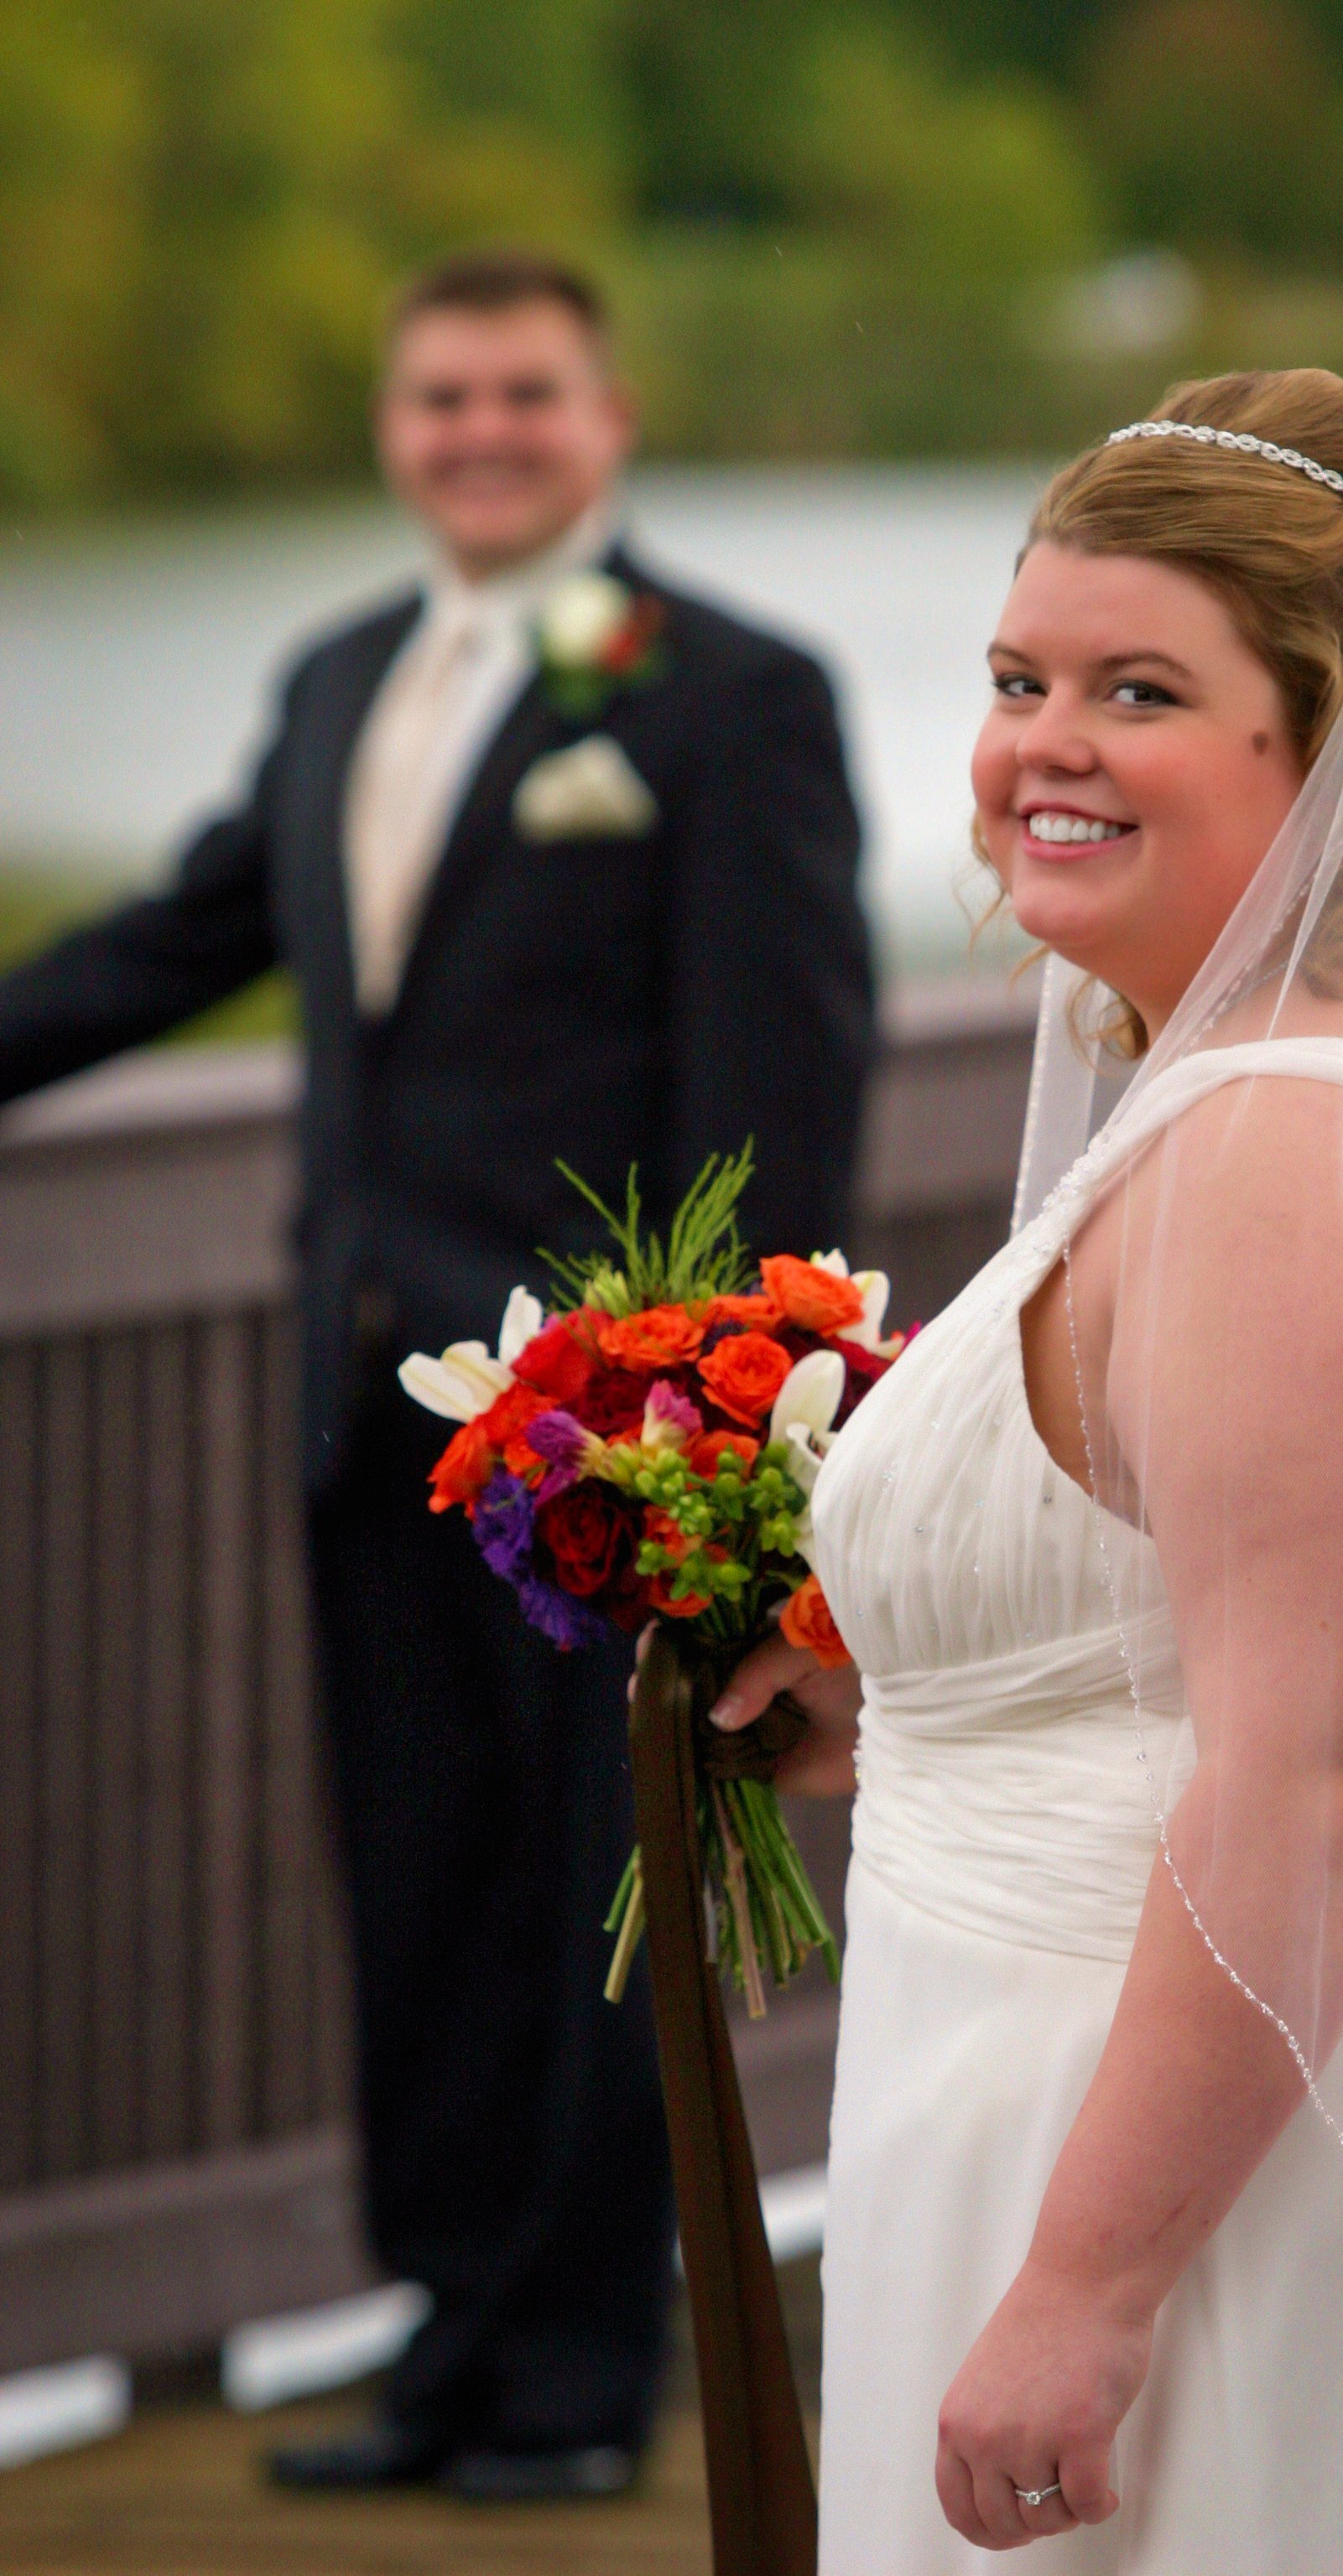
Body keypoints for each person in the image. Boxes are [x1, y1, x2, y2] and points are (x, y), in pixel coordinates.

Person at [715, 369, 1343, 2569]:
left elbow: (1331, 1773)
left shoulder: (1313, 1146)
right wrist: (908, 1715)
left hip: (1261, 2185)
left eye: (1140, 690)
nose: (1041, 745)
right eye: (1017, 678)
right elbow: (1239, 1659)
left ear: (1335, 741)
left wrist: (1089, 2288)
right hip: (1157, 2089)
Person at [0, 249, 872, 2498]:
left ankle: (585, 2385)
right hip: (373, 1405)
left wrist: (715, 1423)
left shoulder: (725, 694)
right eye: (441, 396)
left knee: (604, 1891)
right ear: (396, 428)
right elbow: (182, 938)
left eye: (524, 392)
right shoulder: (334, 678)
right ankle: (449, 2343)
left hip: (607, 1438)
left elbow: (781, 1077)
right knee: (422, 1881)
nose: (480, 430)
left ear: (610, 414)